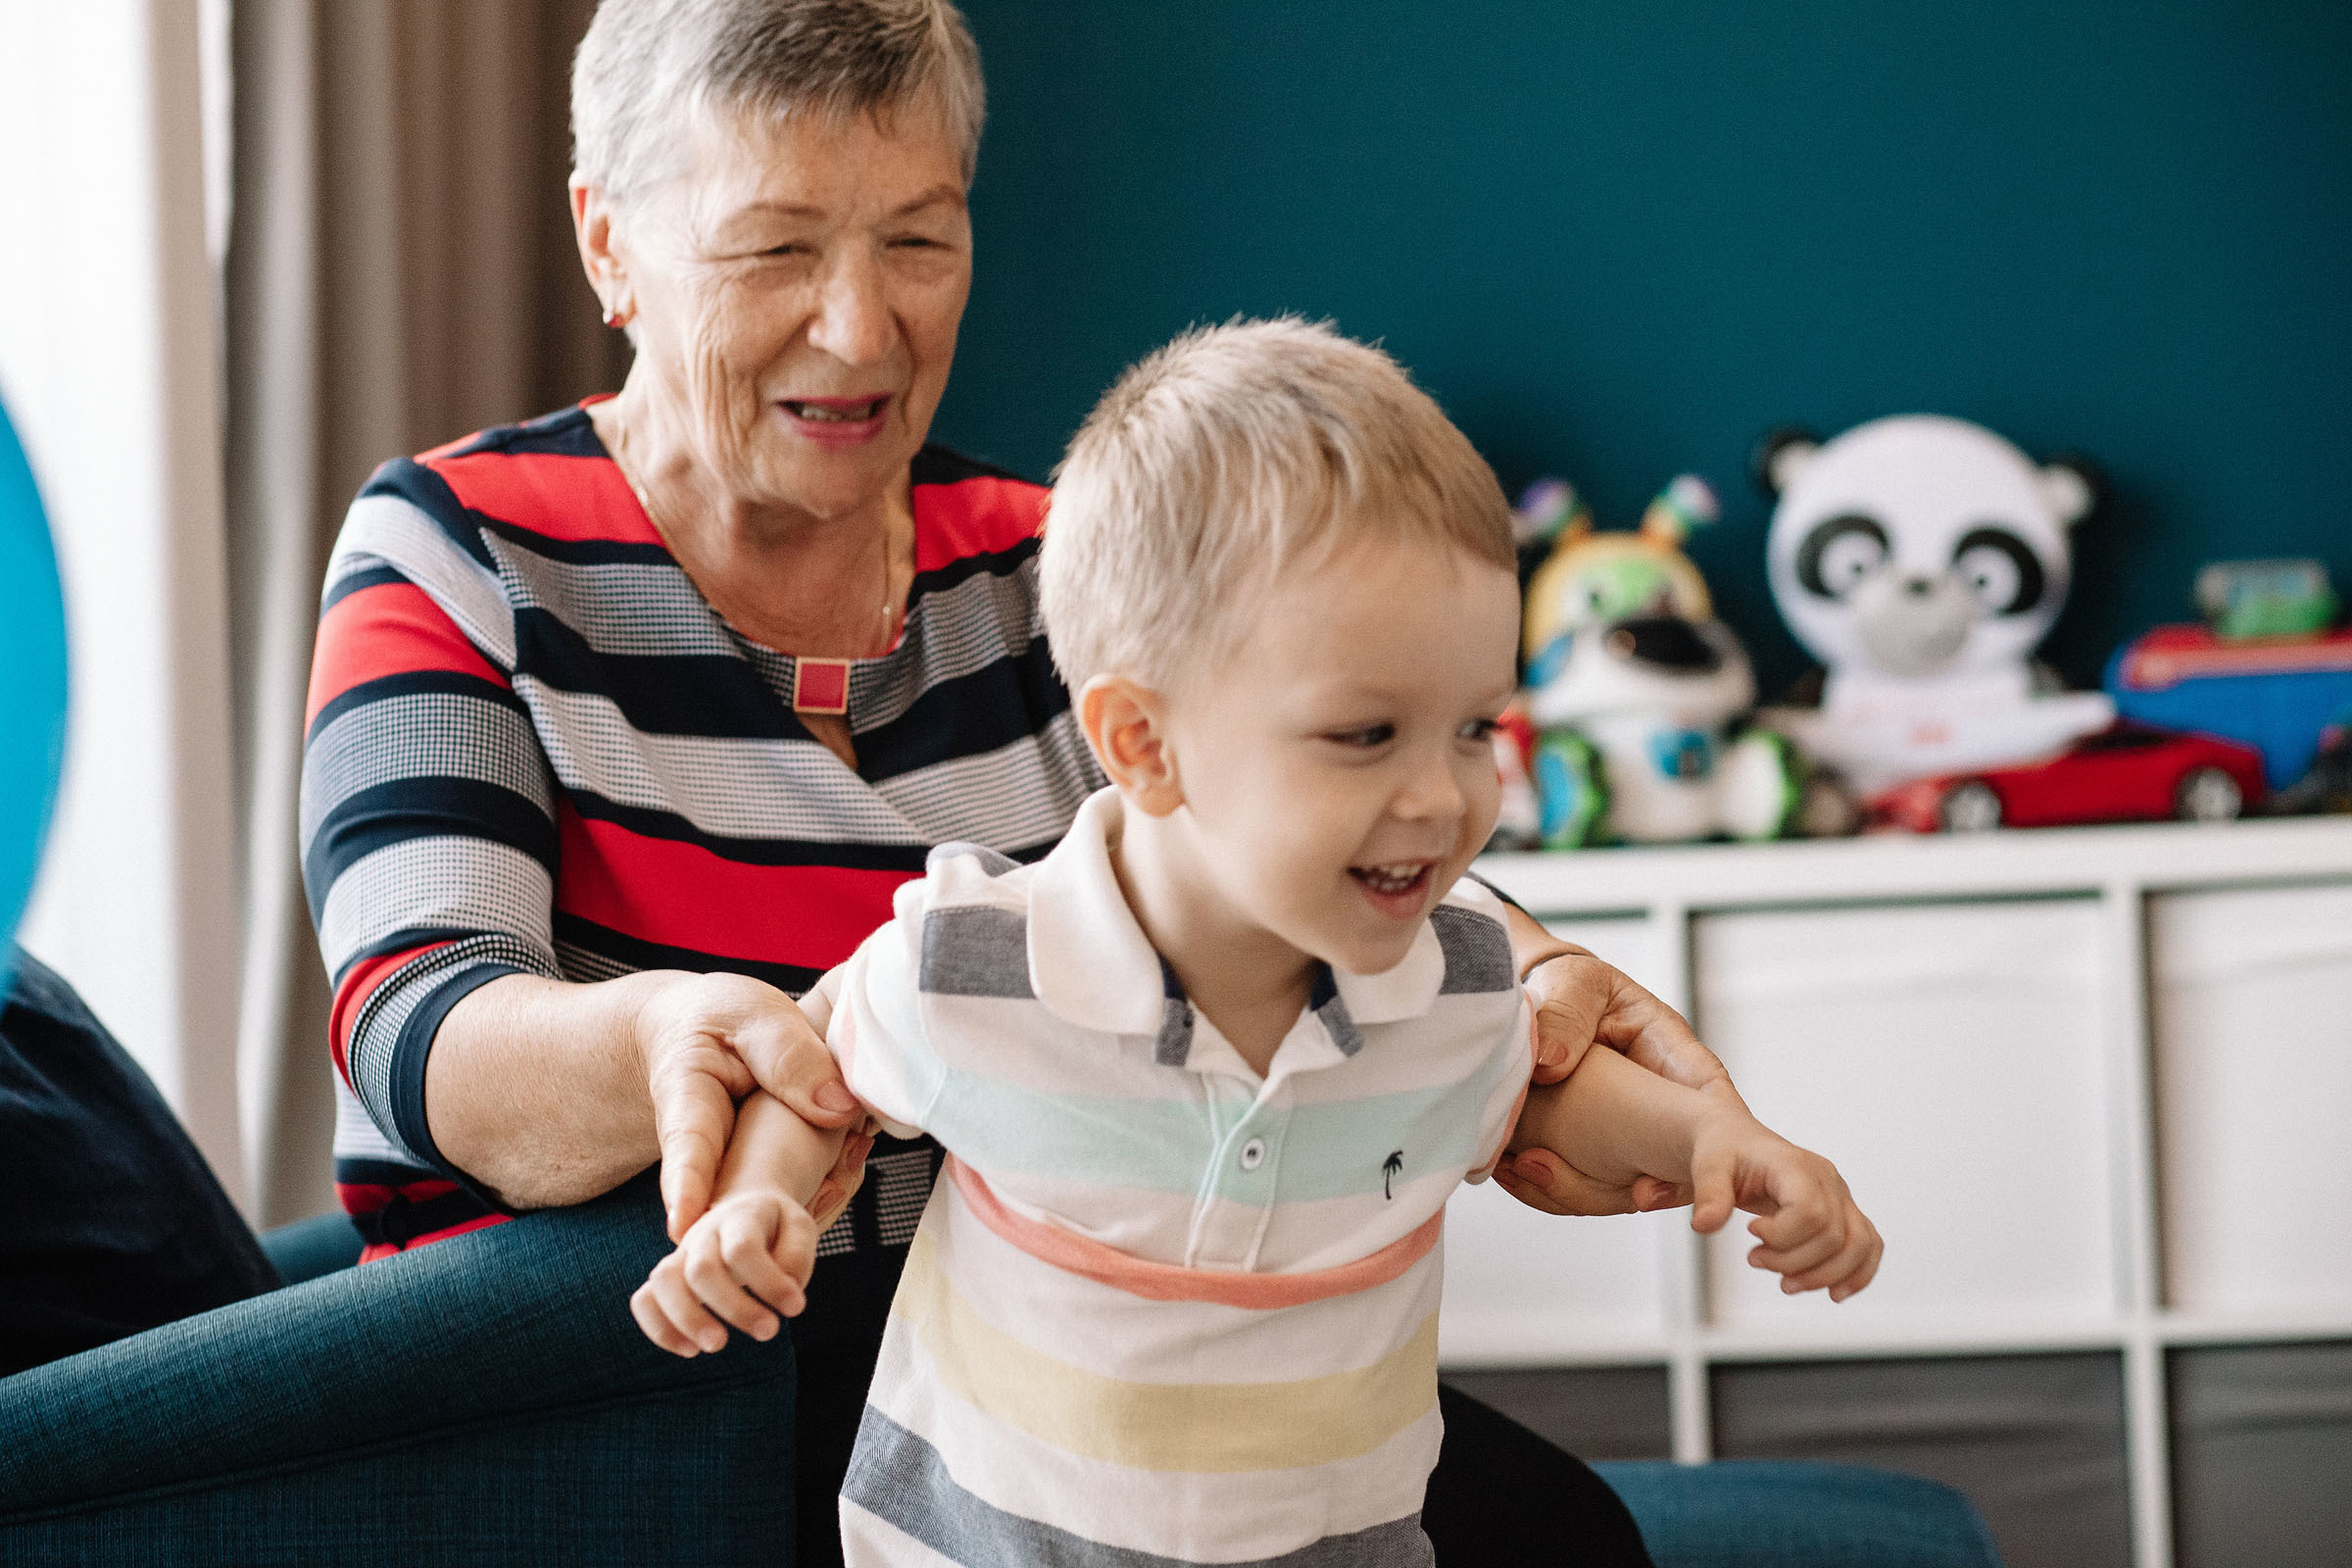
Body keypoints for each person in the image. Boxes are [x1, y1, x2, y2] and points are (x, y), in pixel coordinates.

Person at [298, 1, 1820, 1559]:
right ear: (609, 244)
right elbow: (417, 1014)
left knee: (1560, 1539)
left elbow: (1261, 832)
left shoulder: (1049, 562)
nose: (862, 329)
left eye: (918, 240)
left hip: (1054, 1322)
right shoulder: (460, 546)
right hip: (632, 1365)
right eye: (774, 250)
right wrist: (669, 1036)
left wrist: (1537, 976)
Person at [630, 320, 1880, 1564]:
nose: (1445, 800)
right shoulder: (981, 960)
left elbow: (1549, 1099)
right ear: (1145, 746)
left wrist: (1723, 1139)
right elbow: (818, 1074)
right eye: (1365, 735)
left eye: (1474, 730)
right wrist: (752, 1205)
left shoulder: (1451, 978)